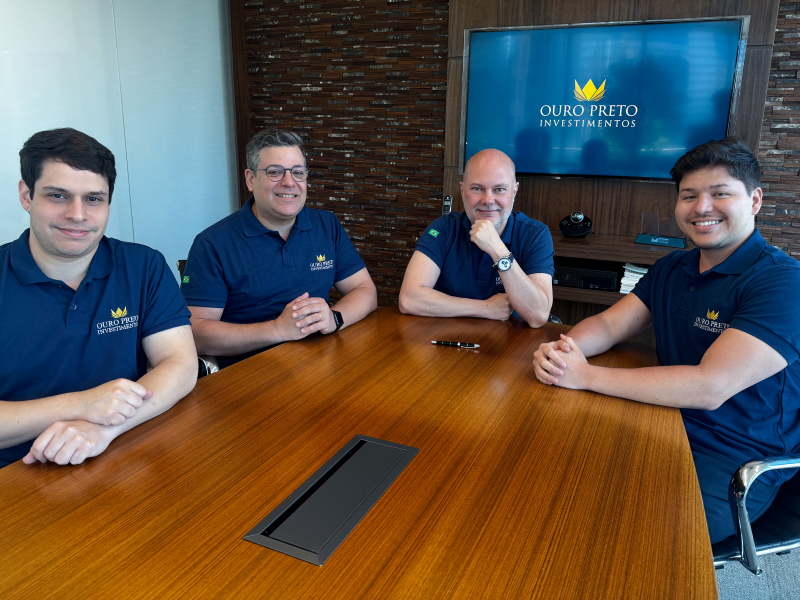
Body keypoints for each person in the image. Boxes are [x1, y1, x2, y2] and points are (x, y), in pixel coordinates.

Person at [533, 138, 800, 544]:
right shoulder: (672, 266)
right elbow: (609, 324)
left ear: (755, 200)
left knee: (625, 540)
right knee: (545, 484)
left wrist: (585, 377)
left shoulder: (782, 282)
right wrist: (566, 352)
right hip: (659, 420)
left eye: (720, 193)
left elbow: (709, 386)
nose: (702, 207)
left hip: (730, 457)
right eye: (689, 195)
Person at [0, 128, 198, 468]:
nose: (78, 214)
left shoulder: (142, 266)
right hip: (17, 480)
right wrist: (82, 405)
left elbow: (179, 363)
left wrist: (103, 430)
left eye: (93, 198)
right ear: (26, 195)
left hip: (125, 456)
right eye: (58, 196)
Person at [181, 128, 377, 367]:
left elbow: (365, 289)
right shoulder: (212, 244)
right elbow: (195, 333)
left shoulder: (326, 225)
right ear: (251, 180)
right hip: (249, 374)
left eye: (297, 172)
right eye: (275, 172)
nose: (289, 183)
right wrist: (278, 330)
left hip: (323, 363)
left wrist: (334, 318)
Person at [398, 149, 554, 327]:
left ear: (514, 191)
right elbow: (408, 299)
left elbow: (538, 316)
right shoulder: (442, 229)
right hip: (448, 339)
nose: (488, 200)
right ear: (463, 191)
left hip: (512, 345)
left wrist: (497, 249)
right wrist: (486, 308)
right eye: (477, 189)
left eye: (499, 189)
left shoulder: (536, 234)